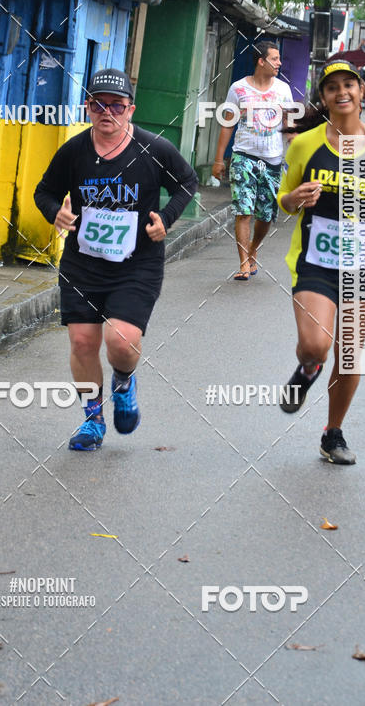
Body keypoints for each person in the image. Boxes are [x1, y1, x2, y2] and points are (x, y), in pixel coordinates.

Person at [34, 68, 198, 452]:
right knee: (82, 342)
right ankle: (92, 420)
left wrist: (166, 220)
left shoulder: (154, 149)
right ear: (88, 107)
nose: (107, 112)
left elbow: (187, 182)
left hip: (136, 263)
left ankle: (124, 382)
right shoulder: (74, 151)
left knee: (121, 342)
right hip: (83, 264)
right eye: (98, 105)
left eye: (117, 106)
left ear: (131, 109)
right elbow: (44, 192)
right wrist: (55, 213)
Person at [278, 60, 365, 465]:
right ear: (323, 98)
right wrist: (295, 199)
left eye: (349, 85)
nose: (342, 92)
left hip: (362, 262)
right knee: (315, 344)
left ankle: (332, 433)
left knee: (353, 352)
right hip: (316, 260)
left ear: (362, 92)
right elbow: (284, 199)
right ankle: (307, 370)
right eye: (332, 87)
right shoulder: (306, 144)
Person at [212, 41, 294, 280]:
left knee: (266, 216)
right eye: (275, 58)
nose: (279, 63)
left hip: (273, 160)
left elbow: (290, 126)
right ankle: (243, 263)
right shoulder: (238, 89)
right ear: (261, 61)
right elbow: (228, 123)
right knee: (243, 210)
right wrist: (219, 160)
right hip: (243, 156)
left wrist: (299, 154)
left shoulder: (283, 90)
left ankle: (253, 247)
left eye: (279, 59)